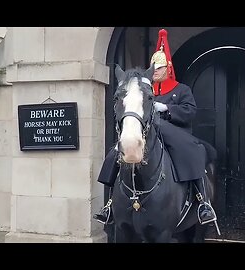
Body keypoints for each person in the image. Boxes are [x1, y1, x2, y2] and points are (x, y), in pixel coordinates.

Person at [93, 29, 217, 225]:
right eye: (154, 68)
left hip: (175, 131)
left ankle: (203, 202)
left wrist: (167, 108)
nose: (156, 71)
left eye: (160, 68)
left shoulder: (181, 90)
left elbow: (190, 111)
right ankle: (109, 204)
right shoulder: (144, 90)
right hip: (149, 131)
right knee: (116, 152)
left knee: (193, 151)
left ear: (168, 68)